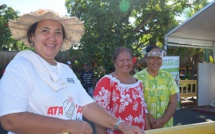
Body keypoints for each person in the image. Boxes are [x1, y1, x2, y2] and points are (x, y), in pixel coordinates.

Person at [0, 9, 145, 134]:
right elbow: (10, 119)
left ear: (63, 39)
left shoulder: (65, 71)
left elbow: (87, 105)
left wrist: (121, 125)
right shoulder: (21, 66)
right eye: (45, 31)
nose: (52, 37)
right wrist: (68, 126)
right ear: (32, 36)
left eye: (58, 33)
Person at [93, 47, 150, 134]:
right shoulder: (106, 82)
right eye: (121, 60)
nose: (126, 63)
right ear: (114, 62)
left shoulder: (138, 84)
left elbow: (143, 113)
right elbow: (99, 116)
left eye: (128, 60)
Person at [134, 45, 179, 129]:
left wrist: (163, 120)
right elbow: (137, 104)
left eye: (158, 58)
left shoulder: (168, 77)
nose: (156, 61)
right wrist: (149, 119)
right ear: (146, 58)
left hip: (166, 127)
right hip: (145, 127)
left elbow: (173, 102)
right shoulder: (137, 78)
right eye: (152, 58)